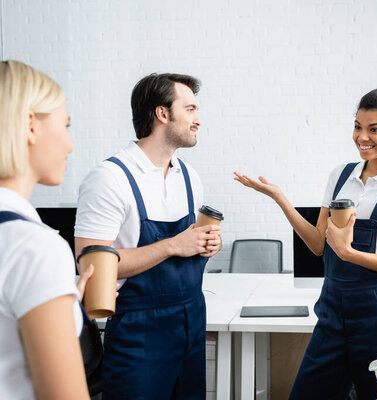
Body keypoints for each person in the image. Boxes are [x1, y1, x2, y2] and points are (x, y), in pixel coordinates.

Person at [235, 88, 377, 399]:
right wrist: (280, 198)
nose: (362, 136)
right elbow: (317, 245)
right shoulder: (341, 175)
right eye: (357, 126)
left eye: (374, 129)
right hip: (334, 312)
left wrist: (349, 253)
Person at [74, 73, 222, 399]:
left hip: (192, 320)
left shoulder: (189, 177)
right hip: (139, 333)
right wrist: (173, 245)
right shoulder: (110, 178)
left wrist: (205, 244)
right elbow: (90, 268)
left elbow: (189, 245)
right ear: (162, 114)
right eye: (191, 109)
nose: (198, 120)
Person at [0, 60, 94, 399]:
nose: (69, 144)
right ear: (30, 125)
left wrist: (59, 301)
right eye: (66, 125)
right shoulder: (34, 248)